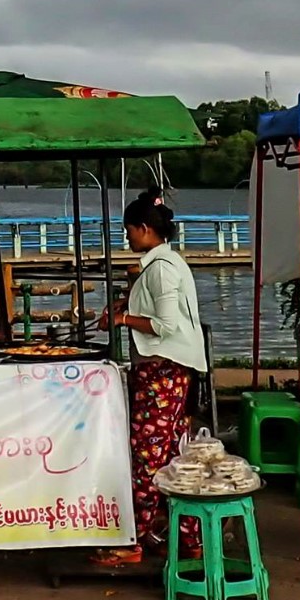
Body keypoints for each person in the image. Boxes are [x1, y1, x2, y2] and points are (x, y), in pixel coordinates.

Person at [91, 188, 209, 568]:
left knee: (146, 455)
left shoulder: (160, 269)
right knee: (176, 454)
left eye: (129, 231)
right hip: (175, 369)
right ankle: (188, 537)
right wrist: (126, 304)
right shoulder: (167, 264)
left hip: (162, 370)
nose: (127, 238)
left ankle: (134, 539)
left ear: (145, 229)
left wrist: (123, 319)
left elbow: (164, 324)